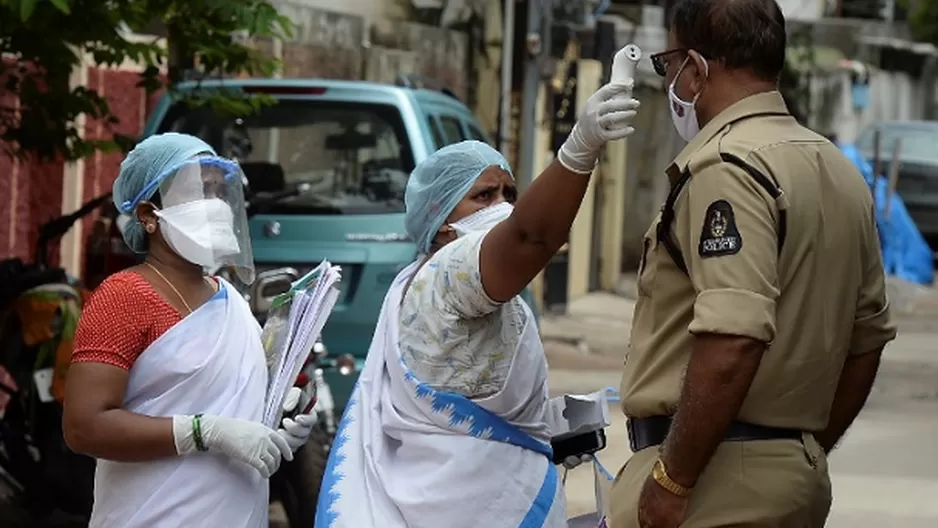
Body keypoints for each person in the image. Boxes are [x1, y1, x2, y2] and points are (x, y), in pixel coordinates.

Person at [608, 1, 898, 527]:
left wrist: (674, 477)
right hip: (788, 477)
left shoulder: (727, 167)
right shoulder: (835, 169)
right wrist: (795, 453)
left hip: (709, 485)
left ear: (696, 68)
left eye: (667, 64)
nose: (670, 79)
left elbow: (733, 337)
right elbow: (867, 339)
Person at [316, 82, 640, 527]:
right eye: (484, 196)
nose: (503, 207)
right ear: (442, 221)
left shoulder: (447, 284)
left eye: (509, 193)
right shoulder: (451, 272)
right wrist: (579, 149)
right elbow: (532, 237)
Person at [62, 133, 317, 527]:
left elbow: (236, 404)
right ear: (148, 215)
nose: (214, 205)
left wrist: (280, 420)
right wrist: (203, 432)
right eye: (196, 190)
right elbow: (83, 427)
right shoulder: (124, 297)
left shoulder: (229, 298)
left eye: (218, 191)